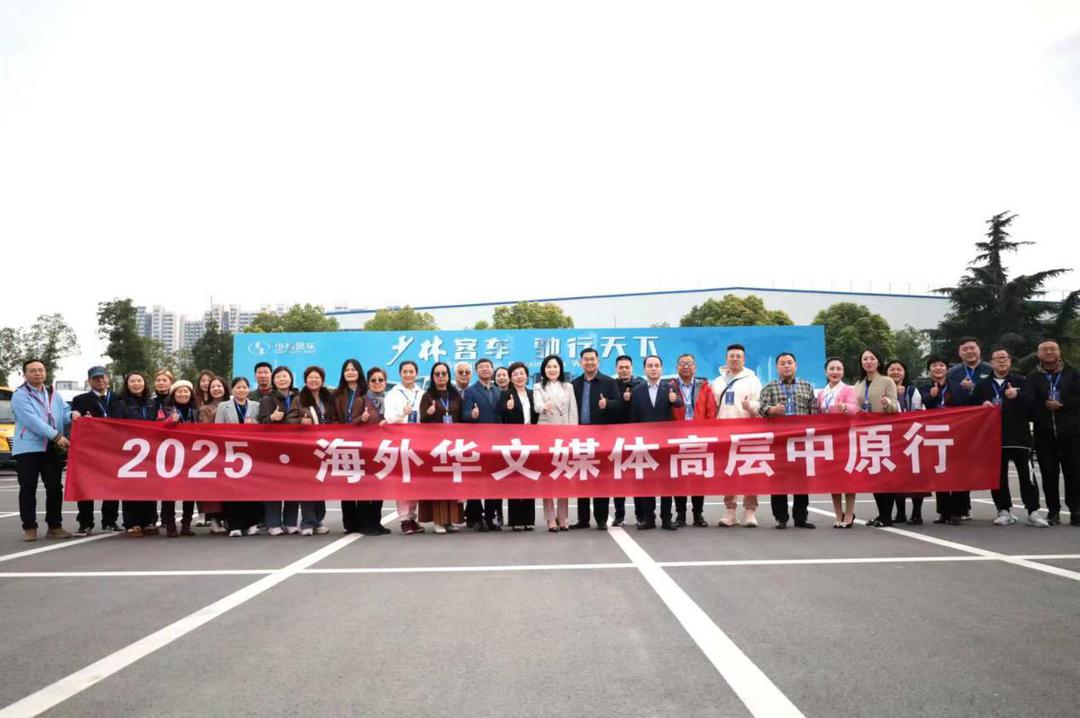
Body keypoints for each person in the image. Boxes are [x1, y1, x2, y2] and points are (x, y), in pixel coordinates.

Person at [975, 347, 1047, 527]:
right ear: (990, 362)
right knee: (998, 476)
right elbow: (971, 408)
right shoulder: (982, 385)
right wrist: (981, 405)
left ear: (1010, 361)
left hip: (1020, 437)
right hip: (994, 438)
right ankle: (1003, 510)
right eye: (997, 358)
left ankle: (1033, 511)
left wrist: (1018, 395)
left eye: (1004, 358)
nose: (1001, 361)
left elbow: (1033, 403)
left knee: (1027, 475)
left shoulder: (1021, 381)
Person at [12, 359, 73, 541]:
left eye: (40, 370)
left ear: (45, 372)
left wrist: (74, 416)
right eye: (33, 371)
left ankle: (55, 526)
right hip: (28, 448)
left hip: (51, 449)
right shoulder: (20, 395)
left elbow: (64, 413)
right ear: (25, 374)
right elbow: (32, 421)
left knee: (55, 488)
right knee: (28, 488)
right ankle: (29, 527)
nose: (37, 373)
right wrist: (56, 436)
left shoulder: (53, 393)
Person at [758, 352, 817, 529]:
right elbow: (761, 408)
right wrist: (771, 410)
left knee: (801, 480)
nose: (786, 366)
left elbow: (813, 413)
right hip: (779, 442)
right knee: (778, 480)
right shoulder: (769, 387)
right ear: (777, 367)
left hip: (801, 441)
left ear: (796, 365)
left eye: (789, 363)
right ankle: (781, 517)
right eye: (782, 363)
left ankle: (801, 517)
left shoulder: (806, 386)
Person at [1026, 339, 1080, 526]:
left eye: (1052, 349)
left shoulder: (1073, 373)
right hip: (1044, 432)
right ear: (1038, 354)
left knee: (1074, 472)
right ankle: (1053, 511)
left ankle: (1076, 510)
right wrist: (1042, 407)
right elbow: (1029, 401)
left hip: (1072, 432)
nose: (1049, 352)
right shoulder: (1032, 376)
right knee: (1049, 474)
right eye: (1044, 349)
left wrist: (1063, 405)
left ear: (1059, 352)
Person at [333, 359, 386, 536]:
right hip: (345, 443)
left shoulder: (368, 392)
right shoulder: (337, 393)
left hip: (372, 446)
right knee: (349, 484)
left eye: (354, 369)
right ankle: (351, 523)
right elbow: (335, 417)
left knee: (372, 484)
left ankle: (372, 522)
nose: (350, 372)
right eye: (347, 369)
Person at [571, 347, 622, 529]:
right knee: (582, 477)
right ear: (580, 362)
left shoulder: (608, 382)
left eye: (592, 359)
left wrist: (607, 403)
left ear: (598, 361)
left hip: (601, 438)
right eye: (586, 359)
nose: (589, 362)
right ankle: (582, 519)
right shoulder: (575, 384)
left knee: (600, 478)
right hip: (579, 437)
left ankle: (601, 519)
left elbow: (619, 406)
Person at [629, 355, 683, 530]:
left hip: (664, 443)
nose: (653, 368)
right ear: (644, 369)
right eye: (650, 366)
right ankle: (648, 518)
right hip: (644, 443)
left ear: (661, 369)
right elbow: (633, 418)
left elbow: (679, 404)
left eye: (657, 365)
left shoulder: (669, 388)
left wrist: (675, 400)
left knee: (666, 482)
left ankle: (667, 518)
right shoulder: (637, 391)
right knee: (647, 482)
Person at [711, 344, 762, 527]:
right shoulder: (717, 381)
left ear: (744, 359)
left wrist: (751, 406)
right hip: (724, 433)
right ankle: (730, 511)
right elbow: (712, 407)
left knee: (749, 470)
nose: (734, 359)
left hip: (747, 432)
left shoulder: (752, 380)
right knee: (729, 471)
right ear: (726, 358)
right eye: (731, 356)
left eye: (738, 356)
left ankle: (749, 511)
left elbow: (759, 404)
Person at [945, 337, 991, 521]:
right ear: (959, 352)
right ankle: (962, 507)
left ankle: (1004, 508)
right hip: (961, 428)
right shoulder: (953, 373)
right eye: (965, 349)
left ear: (979, 349)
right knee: (959, 466)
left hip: (986, 426)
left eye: (972, 348)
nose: (969, 352)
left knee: (992, 467)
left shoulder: (990, 369)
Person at [70, 365, 120, 534]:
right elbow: (75, 422)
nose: (100, 380)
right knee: (86, 485)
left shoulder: (119, 398)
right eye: (95, 378)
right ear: (89, 381)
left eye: (103, 377)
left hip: (114, 449)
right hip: (89, 451)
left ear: (108, 378)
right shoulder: (80, 400)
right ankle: (85, 522)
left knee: (112, 486)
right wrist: (80, 419)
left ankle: (110, 520)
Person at [287, 366, 336, 535]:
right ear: (305, 380)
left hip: (325, 447)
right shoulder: (299, 399)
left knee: (320, 484)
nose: (314, 380)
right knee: (307, 484)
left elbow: (335, 419)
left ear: (322, 380)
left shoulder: (328, 397)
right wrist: (301, 421)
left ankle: (318, 520)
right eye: (310, 377)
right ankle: (307, 522)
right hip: (305, 448)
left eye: (317, 377)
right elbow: (290, 419)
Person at [853, 349, 899, 527]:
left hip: (884, 433)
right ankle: (881, 514)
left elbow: (895, 406)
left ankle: (887, 515)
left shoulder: (887, 381)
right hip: (865, 433)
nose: (868, 361)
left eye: (872, 358)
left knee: (885, 476)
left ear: (878, 362)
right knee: (874, 475)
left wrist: (888, 404)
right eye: (865, 359)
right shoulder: (858, 383)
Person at [670, 353, 716, 527]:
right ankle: (680, 515)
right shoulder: (670, 386)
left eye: (689, 364)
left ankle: (698, 514)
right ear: (677, 368)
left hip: (699, 437)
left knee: (698, 477)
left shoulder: (704, 387)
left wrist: (710, 434)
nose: (686, 366)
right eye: (682, 363)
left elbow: (710, 411)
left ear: (695, 367)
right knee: (678, 477)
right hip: (677, 437)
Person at [418, 362, 464, 534]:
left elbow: (461, 417)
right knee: (438, 483)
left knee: (452, 482)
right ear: (432, 377)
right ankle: (439, 521)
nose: (440, 377)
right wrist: (429, 413)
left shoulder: (454, 395)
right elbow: (422, 420)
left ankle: (451, 520)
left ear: (448, 375)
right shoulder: (427, 396)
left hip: (453, 445)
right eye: (437, 374)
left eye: (443, 373)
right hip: (434, 446)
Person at [215, 377, 263, 537]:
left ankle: (252, 524)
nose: (241, 390)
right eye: (238, 387)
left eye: (244, 387)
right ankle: (234, 525)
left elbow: (264, 427)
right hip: (231, 452)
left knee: (252, 489)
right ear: (233, 389)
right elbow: (217, 429)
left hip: (252, 453)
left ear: (248, 390)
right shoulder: (223, 406)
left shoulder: (256, 406)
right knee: (233, 490)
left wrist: (254, 424)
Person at [112, 372, 160, 536]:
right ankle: (132, 523)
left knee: (149, 486)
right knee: (131, 487)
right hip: (130, 451)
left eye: (139, 381)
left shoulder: (152, 403)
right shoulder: (120, 404)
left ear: (145, 384)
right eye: (132, 381)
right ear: (127, 384)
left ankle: (149, 521)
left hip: (151, 451)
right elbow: (116, 427)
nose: (136, 384)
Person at [534, 354, 578, 531]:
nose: (552, 369)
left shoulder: (568, 387)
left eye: (555, 366)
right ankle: (550, 518)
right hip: (545, 434)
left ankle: (563, 517)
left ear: (560, 369)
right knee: (548, 476)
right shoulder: (538, 386)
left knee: (562, 475)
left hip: (564, 434)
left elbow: (572, 411)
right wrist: (544, 406)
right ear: (544, 370)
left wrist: (574, 434)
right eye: (548, 367)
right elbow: (537, 406)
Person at [921, 355, 964, 525]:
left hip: (955, 434)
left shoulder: (958, 387)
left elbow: (965, 408)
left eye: (941, 365)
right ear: (929, 369)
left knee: (958, 473)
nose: (937, 368)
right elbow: (922, 405)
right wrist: (931, 397)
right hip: (935, 436)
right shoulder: (924, 387)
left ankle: (958, 511)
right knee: (940, 472)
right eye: (934, 366)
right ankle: (944, 512)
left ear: (947, 368)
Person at [383, 361, 426, 535]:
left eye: (411, 371)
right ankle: (404, 519)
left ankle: (412, 517)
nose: (408, 374)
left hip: (419, 441)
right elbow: (389, 418)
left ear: (416, 373)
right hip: (400, 440)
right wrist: (403, 412)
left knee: (415, 480)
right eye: (405, 371)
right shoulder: (392, 394)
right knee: (403, 480)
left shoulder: (422, 393)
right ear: (400, 373)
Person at [815, 357, 859, 527]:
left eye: (838, 369)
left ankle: (849, 513)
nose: (835, 372)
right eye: (832, 369)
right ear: (826, 372)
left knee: (848, 476)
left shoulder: (848, 389)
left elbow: (855, 409)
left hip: (845, 438)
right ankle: (837, 514)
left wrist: (845, 408)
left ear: (843, 372)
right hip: (828, 439)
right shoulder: (821, 393)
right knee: (833, 478)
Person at [462, 358, 504, 531]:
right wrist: (472, 415)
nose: (486, 370)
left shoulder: (498, 391)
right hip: (478, 443)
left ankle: (490, 517)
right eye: (481, 367)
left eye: (488, 367)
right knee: (477, 481)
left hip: (496, 443)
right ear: (476, 371)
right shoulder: (471, 391)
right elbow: (464, 416)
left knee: (493, 481)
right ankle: (476, 517)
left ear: (492, 370)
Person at [259, 366, 300, 535]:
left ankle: (290, 522)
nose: (282, 379)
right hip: (274, 449)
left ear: (291, 379)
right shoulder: (268, 399)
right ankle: (273, 523)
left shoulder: (299, 397)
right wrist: (271, 418)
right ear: (273, 381)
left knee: (294, 485)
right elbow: (261, 423)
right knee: (273, 486)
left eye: (285, 376)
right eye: (279, 377)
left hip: (296, 447)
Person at [887, 360, 927, 525]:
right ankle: (900, 512)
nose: (895, 372)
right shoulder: (883, 390)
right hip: (892, 439)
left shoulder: (913, 390)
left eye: (899, 369)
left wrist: (901, 396)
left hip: (912, 438)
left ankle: (917, 513)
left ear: (905, 372)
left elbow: (919, 411)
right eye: (892, 369)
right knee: (897, 477)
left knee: (916, 477)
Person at [500, 361, 538, 530]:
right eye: (515, 374)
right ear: (511, 378)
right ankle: (515, 520)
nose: (519, 376)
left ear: (527, 375)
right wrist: (507, 408)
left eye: (522, 373)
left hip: (531, 439)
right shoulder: (506, 394)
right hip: (513, 440)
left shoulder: (533, 393)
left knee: (529, 477)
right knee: (515, 477)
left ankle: (528, 519)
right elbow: (500, 415)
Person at [160, 380, 198, 536]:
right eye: (179, 391)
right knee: (169, 490)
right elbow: (156, 427)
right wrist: (170, 421)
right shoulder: (165, 409)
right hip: (171, 455)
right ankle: (169, 524)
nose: (183, 394)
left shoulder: (196, 410)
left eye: (186, 391)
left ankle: (186, 524)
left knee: (190, 491)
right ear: (173, 394)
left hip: (192, 455)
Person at [612, 354, 644, 525]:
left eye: (627, 367)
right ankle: (619, 515)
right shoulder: (611, 385)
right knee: (619, 478)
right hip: (617, 438)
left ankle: (640, 515)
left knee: (637, 477)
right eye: (621, 367)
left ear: (632, 368)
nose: (624, 370)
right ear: (616, 369)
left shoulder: (640, 384)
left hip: (637, 437)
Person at [196, 376, 229, 534]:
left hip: (232, 452)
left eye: (219, 386)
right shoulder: (205, 409)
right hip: (213, 452)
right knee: (214, 489)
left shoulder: (233, 404)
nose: (216, 389)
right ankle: (214, 520)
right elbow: (204, 428)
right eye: (213, 386)